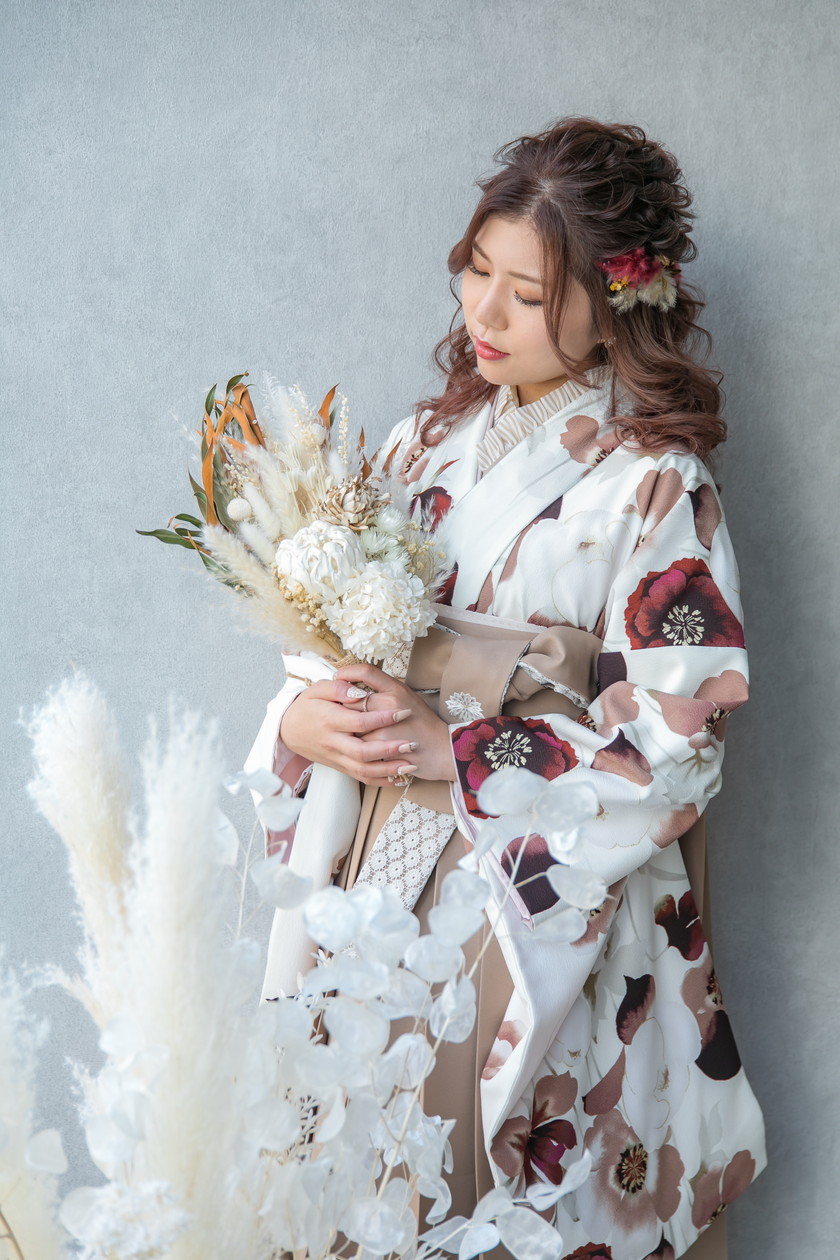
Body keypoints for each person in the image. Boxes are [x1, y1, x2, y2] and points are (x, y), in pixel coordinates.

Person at [245, 117, 767, 1260]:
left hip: (543, 885)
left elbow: (680, 746)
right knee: (360, 1162)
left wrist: (467, 753)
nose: (483, 312)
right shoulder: (417, 446)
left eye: (525, 295)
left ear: (612, 302)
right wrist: (304, 718)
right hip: (381, 869)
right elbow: (327, 651)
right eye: (475, 271)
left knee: (521, 1183)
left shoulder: (654, 484)